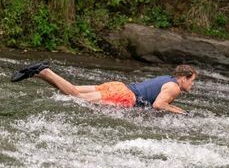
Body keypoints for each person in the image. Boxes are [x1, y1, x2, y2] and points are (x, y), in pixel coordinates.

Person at [11, 62, 197, 115]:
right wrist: (180, 112)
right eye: (192, 81)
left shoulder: (167, 79)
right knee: (74, 95)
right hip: (124, 96)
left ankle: (36, 73)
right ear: (183, 78)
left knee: (72, 90)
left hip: (118, 87)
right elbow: (158, 105)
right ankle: (46, 71)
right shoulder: (174, 87)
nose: (192, 85)